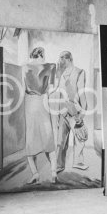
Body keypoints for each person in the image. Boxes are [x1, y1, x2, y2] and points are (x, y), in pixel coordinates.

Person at [23, 47, 58, 184]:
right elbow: (51, 88)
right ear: (42, 55)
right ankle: (54, 173)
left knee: (31, 139)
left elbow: (25, 87)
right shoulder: (51, 66)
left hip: (30, 103)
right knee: (48, 137)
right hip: (43, 101)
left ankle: (35, 174)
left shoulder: (25, 67)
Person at [55, 51, 88, 173]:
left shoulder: (79, 72)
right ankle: (59, 165)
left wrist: (83, 112)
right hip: (62, 110)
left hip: (74, 110)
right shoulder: (59, 73)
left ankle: (78, 162)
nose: (60, 60)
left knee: (79, 138)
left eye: (63, 58)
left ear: (69, 59)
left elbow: (82, 94)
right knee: (60, 141)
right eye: (60, 58)